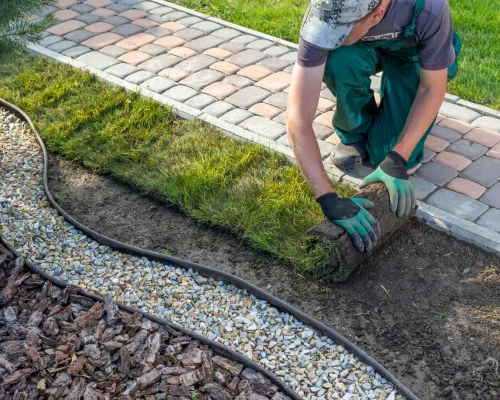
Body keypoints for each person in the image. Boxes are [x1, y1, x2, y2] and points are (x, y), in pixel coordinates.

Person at [287, 0, 461, 252]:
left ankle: (392, 114)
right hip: (360, 48)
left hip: (412, 54)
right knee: (337, 57)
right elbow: (298, 117)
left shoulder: (430, 8)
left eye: (340, 31)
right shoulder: (327, 12)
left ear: (377, 13)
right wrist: (327, 198)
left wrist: (397, 159)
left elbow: (432, 88)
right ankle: (355, 131)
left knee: (387, 155)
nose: (329, 36)